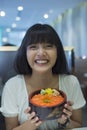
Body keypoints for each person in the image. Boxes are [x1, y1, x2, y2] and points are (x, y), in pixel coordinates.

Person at [0, 23, 86, 130]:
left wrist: (65, 122)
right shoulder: (12, 86)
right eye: (33, 47)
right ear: (25, 52)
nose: (41, 52)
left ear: (57, 51)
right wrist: (32, 123)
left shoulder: (71, 82)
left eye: (48, 46)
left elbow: (79, 126)